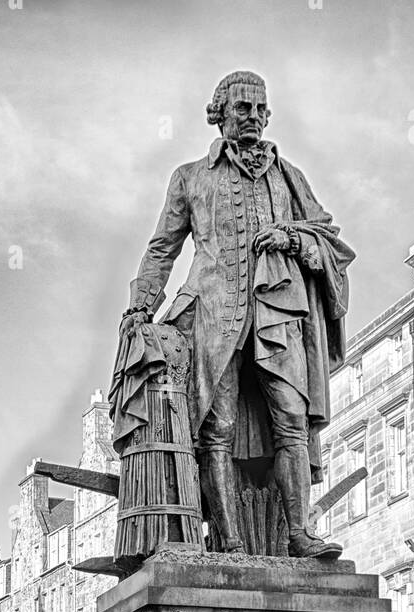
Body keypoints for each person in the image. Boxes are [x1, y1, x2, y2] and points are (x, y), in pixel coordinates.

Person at [115, 70, 355, 559]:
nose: (253, 117)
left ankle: (298, 534)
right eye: (243, 108)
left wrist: (293, 238)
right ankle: (230, 541)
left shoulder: (289, 176)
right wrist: (142, 303)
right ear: (219, 113)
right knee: (217, 429)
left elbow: (328, 237)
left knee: (291, 418)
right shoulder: (189, 177)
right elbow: (162, 248)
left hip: (278, 313)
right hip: (211, 315)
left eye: (261, 109)